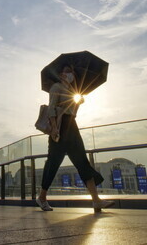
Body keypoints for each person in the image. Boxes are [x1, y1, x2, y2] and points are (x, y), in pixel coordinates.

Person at [37, 65, 114, 212]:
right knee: (53, 163)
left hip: (72, 126)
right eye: (67, 71)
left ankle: (96, 200)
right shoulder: (56, 87)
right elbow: (52, 108)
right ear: (61, 74)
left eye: (72, 71)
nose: (71, 74)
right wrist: (53, 129)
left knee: (82, 162)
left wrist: (77, 103)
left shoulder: (72, 91)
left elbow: (73, 114)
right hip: (59, 127)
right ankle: (42, 197)